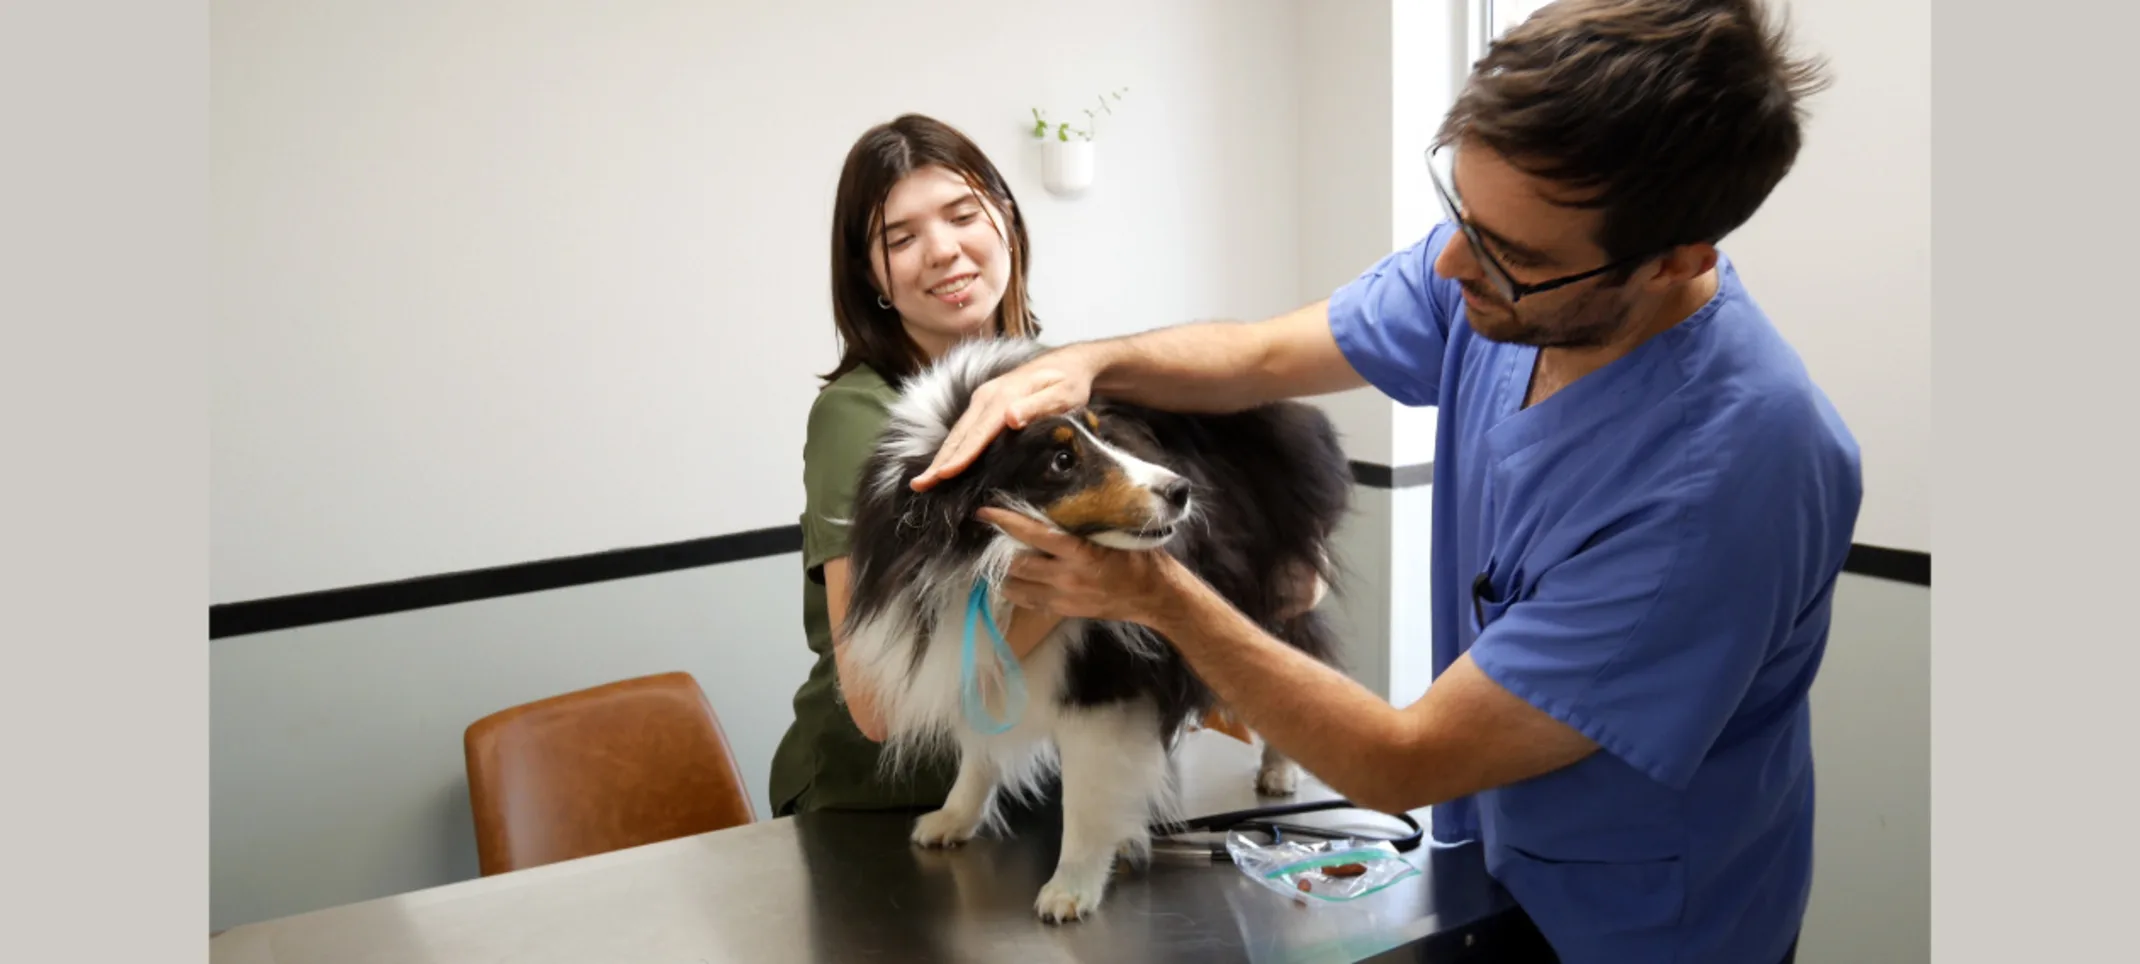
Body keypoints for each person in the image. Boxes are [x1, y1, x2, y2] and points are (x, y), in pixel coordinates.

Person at [906, 2, 1856, 962]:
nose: (1451, 265)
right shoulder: (1509, 273)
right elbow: (1263, 355)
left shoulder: (1727, 486)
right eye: (1461, 215)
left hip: (1646, 929)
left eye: (1509, 255)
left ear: (1678, 259)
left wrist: (1157, 595)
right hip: (1487, 869)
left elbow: (1406, 761)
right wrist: (1091, 367)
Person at [767, 114, 1066, 818]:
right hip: (884, 808)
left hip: (1036, 788)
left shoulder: (1056, 383)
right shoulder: (860, 417)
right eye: (899, 238)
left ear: (1007, 219)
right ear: (870, 275)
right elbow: (879, 703)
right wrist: (1093, 586)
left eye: (963, 214)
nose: (942, 250)